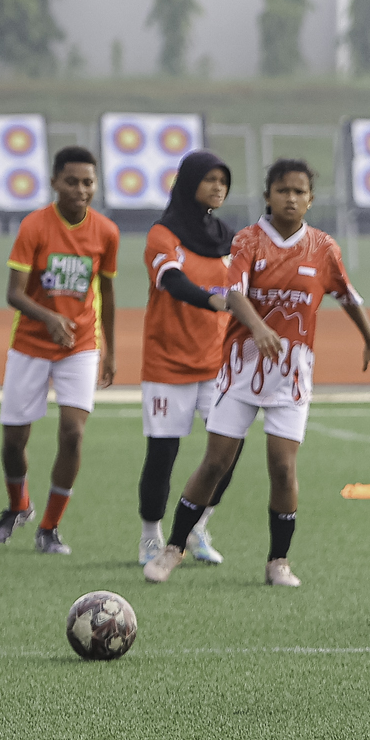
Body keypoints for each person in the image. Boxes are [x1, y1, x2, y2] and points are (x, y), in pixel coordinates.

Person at [144, 159, 370, 586]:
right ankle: (173, 548)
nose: (291, 198)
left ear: (310, 198)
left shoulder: (324, 247)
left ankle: (278, 561)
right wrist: (258, 328)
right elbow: (233, 293)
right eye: (282, 190)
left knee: (283, 468)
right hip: (240, 370)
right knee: (215, 462)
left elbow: (346, 295)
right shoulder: (248, 240)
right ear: (268, 195)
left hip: (292, 376)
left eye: (300, 191)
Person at [0, 146, 119, 554]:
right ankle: (17, 506)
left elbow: (108, 294)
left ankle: (50, 526)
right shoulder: (35, 227)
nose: (81, 190)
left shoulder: (106, 232)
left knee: (73, 433)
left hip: (80, 346)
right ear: (54, 183)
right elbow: (13, 294)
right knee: (14, 441)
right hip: (30, 344)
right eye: (72, 181)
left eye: (88, 182)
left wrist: (109, 351)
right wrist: (47, 318)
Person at [137, 150, 240, 567]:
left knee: (227, 452)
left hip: (217, 363)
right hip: (168, 362)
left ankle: (197, 527)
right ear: (188, 182)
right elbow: (172, 281)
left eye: (223, 180)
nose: (218, 187)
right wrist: (213, 301)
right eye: (210, 179)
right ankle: (149, 538)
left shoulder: (227, 237)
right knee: (162, 455)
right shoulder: (163, 234)